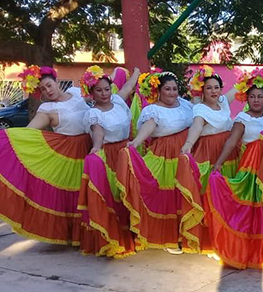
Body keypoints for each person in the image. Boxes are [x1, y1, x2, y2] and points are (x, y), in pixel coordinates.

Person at [203, 68, 263, 268]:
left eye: (260, 96)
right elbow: (232, 142)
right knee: (252, 205)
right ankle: (249, 249)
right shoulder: (243, 119)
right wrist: (219, 163)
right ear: (246, 99)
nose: (257, 100)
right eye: (252, 97)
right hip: (251, 164)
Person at [0, 65, 91, 245]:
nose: (47, 91)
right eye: (42, 89)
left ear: (56, 82)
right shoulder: (47, 109)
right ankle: (78, 236)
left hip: (92, 146)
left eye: (49, 85)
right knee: (75, 194)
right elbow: (28, 132)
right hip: (69, 154)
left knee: (93, 190)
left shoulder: (75, 92)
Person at [117, 71, 193, 252]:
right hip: (164, 154)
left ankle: (186, 234)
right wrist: (135, 144)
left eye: (175, 89)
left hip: (185, 152)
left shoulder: (185, 105)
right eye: (167, 89)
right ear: (158, 91)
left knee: (184, 193)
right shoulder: (153, 110)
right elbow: (148, 128)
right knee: (166, 195)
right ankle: (168, 237)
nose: (172, 93)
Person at [175, 65, 240, 253]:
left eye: (216, 87)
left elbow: (237, 90)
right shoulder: (200, 109)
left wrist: (248, 80)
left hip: (228, 150)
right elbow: (196, 127)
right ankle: (209, 237)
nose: (213, 91)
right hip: (209, 151)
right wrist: (188, 144)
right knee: (209, 191)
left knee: (228, 190)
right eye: (209, 87)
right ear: (202, 90)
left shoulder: (223, 102)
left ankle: (228, 232)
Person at [77, 65, 140, 258]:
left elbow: (128, 88)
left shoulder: (119, 102)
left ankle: (136, 234)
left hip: (128, 151)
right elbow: (98, 131)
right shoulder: (94, 114)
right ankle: (117, 238)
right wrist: (96, 147)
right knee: (116, 195)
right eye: (99, 90)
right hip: (111, 155)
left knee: (132, 193)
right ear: (91, 93)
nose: (104, 94)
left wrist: (137, 72)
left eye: (106, 89)